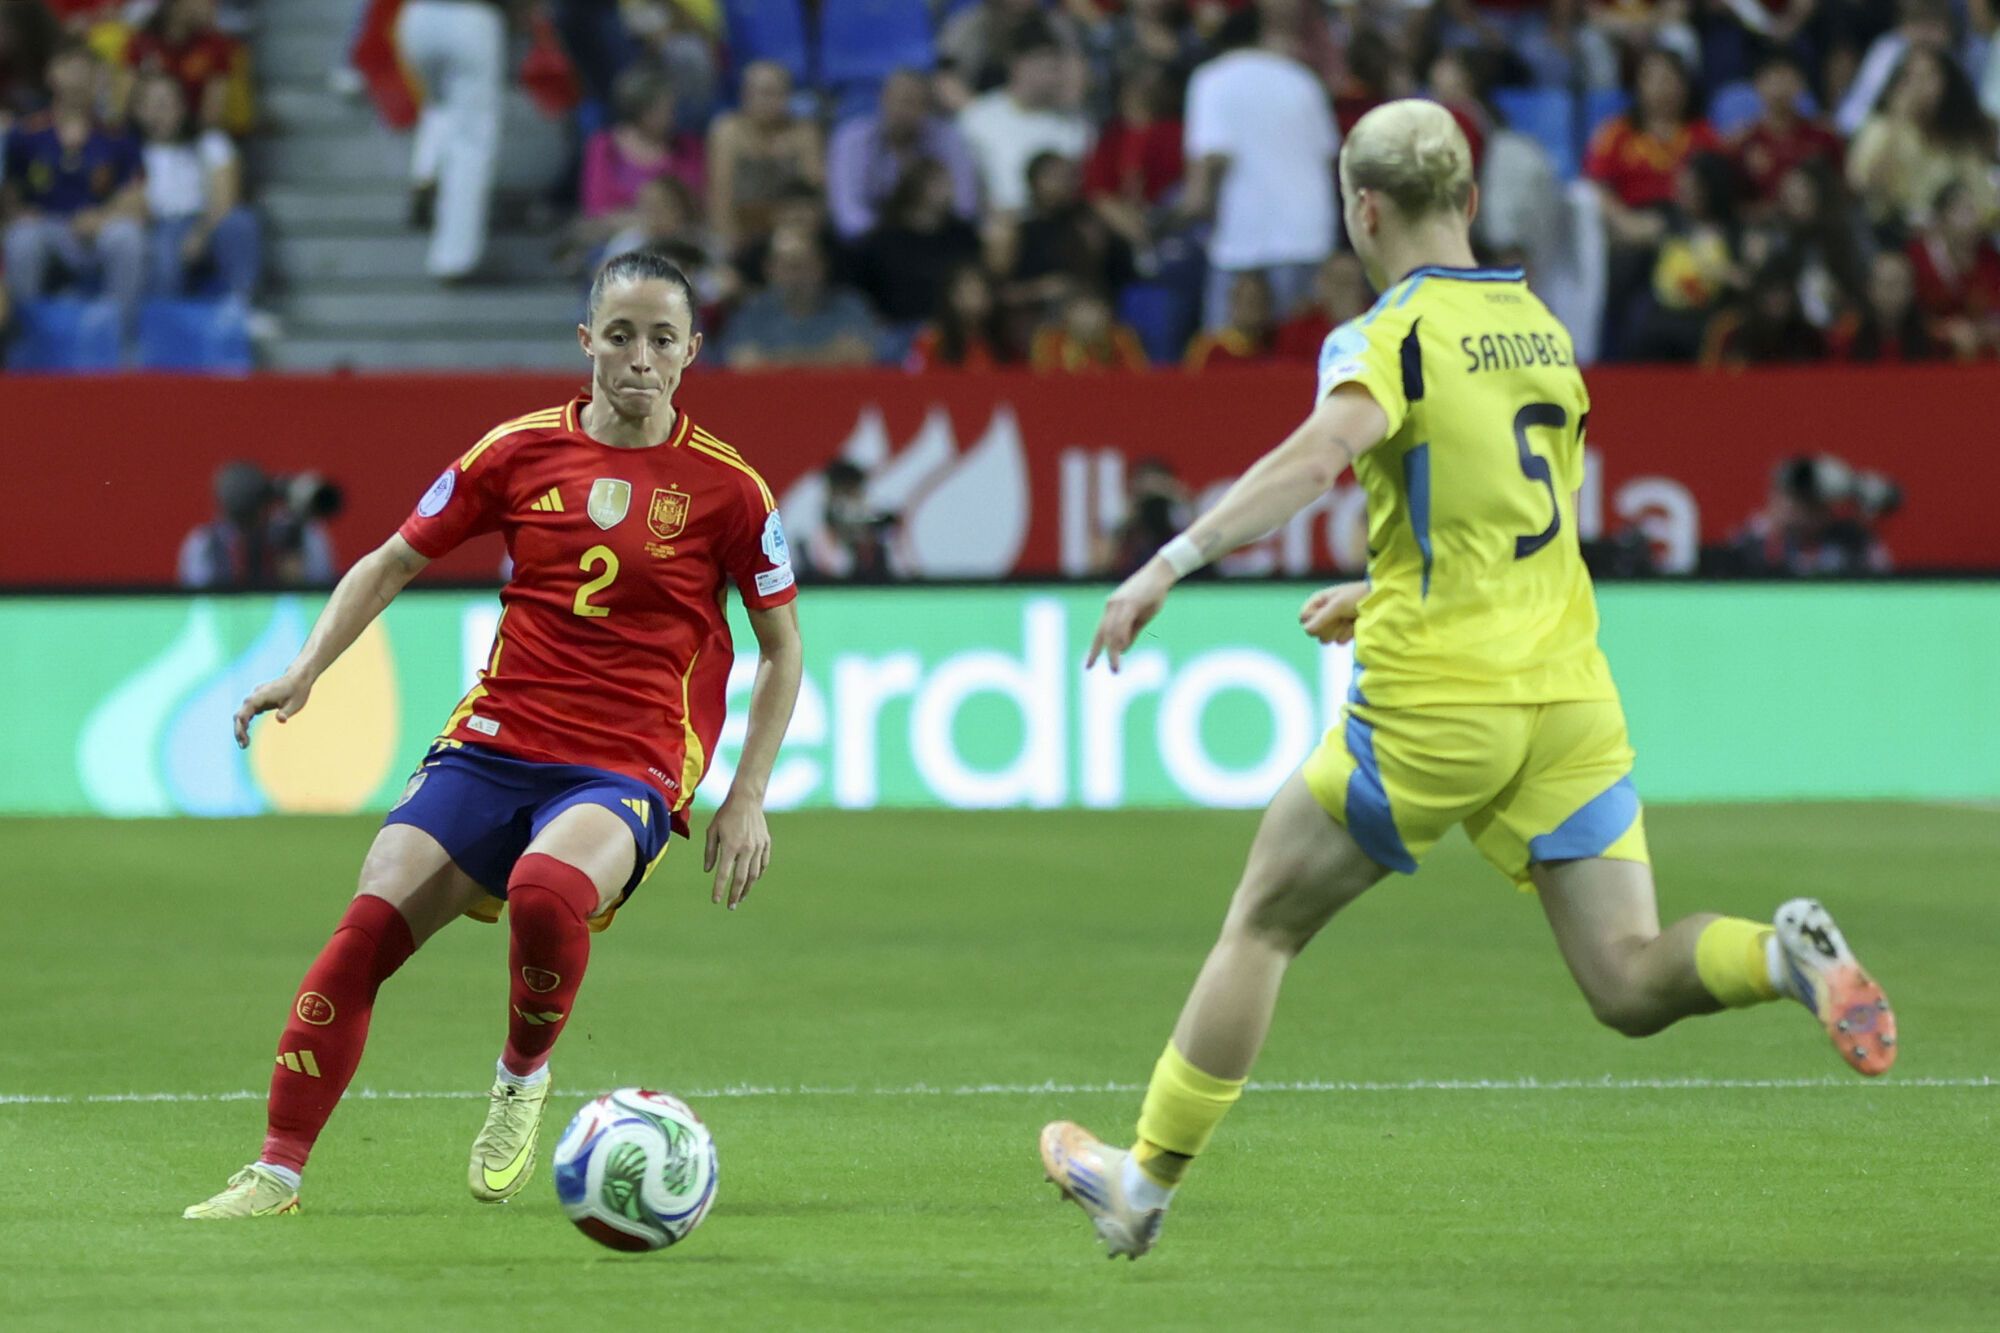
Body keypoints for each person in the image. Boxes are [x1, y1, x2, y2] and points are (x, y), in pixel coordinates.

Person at [1036, 99, 1897, 1261]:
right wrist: (1381, 590)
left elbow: (1316, 457)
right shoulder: (1537, 325)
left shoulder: (1385, 334)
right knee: (1626, 980)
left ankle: (1139, 1183)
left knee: (1262, 925)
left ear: (1361, 210)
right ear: (1470, 202)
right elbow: (1500, 521)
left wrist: (1164, 564)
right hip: (1568, 698)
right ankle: (1777, 957)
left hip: (1438, 705)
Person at [181, 251, 805, 1221]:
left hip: (627, 758)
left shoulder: (729, 490)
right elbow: (389, 563)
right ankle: (275, 1172)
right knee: (364, 928)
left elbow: (780, 647)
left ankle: (521, 1075)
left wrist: (748, 792)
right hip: (495, 738)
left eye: (662, 338)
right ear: (586, 340)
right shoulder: (514, 451)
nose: (640, 356)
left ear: (691, 353)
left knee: (544, 890)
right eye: (622, 334)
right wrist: (306, 669)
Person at [1181, 7, 1339, 329]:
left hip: (1243, 238)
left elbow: (1212, 162)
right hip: (1309, 235)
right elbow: (1331, 159)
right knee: (1296, 357)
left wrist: (1179, 217)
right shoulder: (1303, 80)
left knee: (1230, 361)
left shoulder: (1211, 79)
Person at [1, 40, 144, 334]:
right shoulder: (25, 134)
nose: (77, 76)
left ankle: (119, 336)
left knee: (128, 237)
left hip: (96, 228)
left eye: (85, 69)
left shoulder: (118, 136)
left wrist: (104, 218)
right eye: (69, 67)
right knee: (22, 239)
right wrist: (19, 213)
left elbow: (135, 196)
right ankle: (26, 337)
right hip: (46, 227)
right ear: (51, 74)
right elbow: (10, 191)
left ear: (97, 77)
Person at [397, 0, 507, 281]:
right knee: (471, 140)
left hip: (418, 17)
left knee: (442, 105)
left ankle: (426, 168)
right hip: (471, 16)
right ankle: (454, 258)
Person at [1845, 45, 2000, 239]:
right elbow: (1862, 185)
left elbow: (1984, 204)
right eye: (1910, 77)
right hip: (1888, 236)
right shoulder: (1881, 128)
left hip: (1947, 243)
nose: (1918, 86)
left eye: (1928, 77)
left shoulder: (1961, 141)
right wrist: (1897, 122)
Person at [133, 70, 259, 303]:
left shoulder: (210, 143)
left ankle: (240, 307)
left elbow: (226, 199)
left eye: (169, 104)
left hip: (205, 222)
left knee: (240, 222)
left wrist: (201, 233)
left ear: (182, 108)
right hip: (158, 227)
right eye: (155, 105)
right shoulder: (130, 152)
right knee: (162, 249)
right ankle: (167, 320)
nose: (162, 113)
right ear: (139, 110)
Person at [957, 18, 1093, 215]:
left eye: (1056, 68)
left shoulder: (1075, 127)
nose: (1052, 77)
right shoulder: (977, 119)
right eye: (1045, 66)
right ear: (1017, 64)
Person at [826, 68, 980, 241]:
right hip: (871, 244)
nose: (902, 110)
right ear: (882, 99)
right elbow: (847, 210)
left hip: (933, 238)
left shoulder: (948, 139)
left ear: (927, 108)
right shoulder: (851, 139)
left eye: (912, 102)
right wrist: (890, 241)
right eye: (896, 100)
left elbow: (965, 204)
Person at [576, 63, 707, 254]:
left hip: (677, 242)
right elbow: (596, 211)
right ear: (641, 111)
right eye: (666, 108)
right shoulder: (605, 148)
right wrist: (650, 222)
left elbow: (696, 206)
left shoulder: (688, 147)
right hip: (616, 242)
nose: (674, 115)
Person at [704, 59, 821, 255]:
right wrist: (730, 245)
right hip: (741, 236)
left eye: (778, 93)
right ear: (745, 95)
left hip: (792, 236)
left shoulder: (804, 133)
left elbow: (812, 197)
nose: (770, 101)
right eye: (763, 93)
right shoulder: (728, 131)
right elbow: (720, 197)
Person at [722, 225, 880, 369]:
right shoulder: (751, 311)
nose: (795, 276)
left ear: (822, 266)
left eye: (804, 264)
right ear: (769, 269)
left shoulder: (850, 307)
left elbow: (861, 356)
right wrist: (826, 358)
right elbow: (740, 362)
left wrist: (772, 361)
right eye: (787, 266)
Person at [850, 158, 983, 327]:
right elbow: (865, 290)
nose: (949, 190)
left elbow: (975, 279)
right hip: (898, 328)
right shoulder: (884, 239)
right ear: (916, 187)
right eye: (938, 183)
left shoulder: (962, 234)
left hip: (954, 329)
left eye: (949, 182)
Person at [177, 462, 339, 589]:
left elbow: (322, 589)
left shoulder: (299, 534)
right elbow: (198, 600)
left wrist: (295, 568)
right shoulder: (205, 542)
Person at [1729, 51, 1844, 219]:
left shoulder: (1824, 136)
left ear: (1801, 85)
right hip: (1765, 230)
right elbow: (1734, 205)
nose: (1779, 87)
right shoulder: (1742, 142)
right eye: (1772, 78)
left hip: (1820, 227)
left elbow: (1841, 190)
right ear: (1756, 84)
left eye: (1787, 78)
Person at [120, 0, 251, 134]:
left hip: (194, 135)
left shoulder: (215, 46)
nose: (211, 5)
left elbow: (212, 113)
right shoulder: (143, 43)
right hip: (144, 135)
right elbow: (125, 102)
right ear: (177, 4)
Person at [1905, 180, 2000, 358]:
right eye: (1965, 211)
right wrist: (1942, 329)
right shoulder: (1917, 257)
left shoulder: (1990, 257)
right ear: (1941, 219)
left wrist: (1984, 329)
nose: (1974, 219)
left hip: (1981, 343)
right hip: (1925, 347)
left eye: (1975, 210)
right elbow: (1903, 314)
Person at [1828, 249, 1939, 361]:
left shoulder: (1933, 340)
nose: (1890, 292)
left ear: (1912, 290)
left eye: (1897, 284)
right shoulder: (1845, 340)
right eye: (1883, 284)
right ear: (1870, 290)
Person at [905, 261, 1018, 369]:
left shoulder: (1005, 344)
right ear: (951, 297)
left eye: (980, 292)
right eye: (967, 292)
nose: (974, 300)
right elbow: (915, 380)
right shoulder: (931, 341)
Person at [1272, 250, 1373, 361]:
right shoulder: (1298, 330)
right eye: (1338, 281)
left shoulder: (1378, 322)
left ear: (1363, 288)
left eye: (1351, 282)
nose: (1344, 290)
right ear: (1320, 283)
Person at [1028, 286, 1148, 371]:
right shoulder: (1050, 340)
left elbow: (1137, 375)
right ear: (1067, 315)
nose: (1087, 319)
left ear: (1106, 314)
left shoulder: (1122, 339)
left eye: (1093, 311)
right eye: (1081, 311)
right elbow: (1043, 377)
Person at [1182, 268, 1274, 369]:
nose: (1254, 310)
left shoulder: (1276, 347)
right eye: (1249, 301)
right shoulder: (1210, 347)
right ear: (1233, 304)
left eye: (1261, 301)